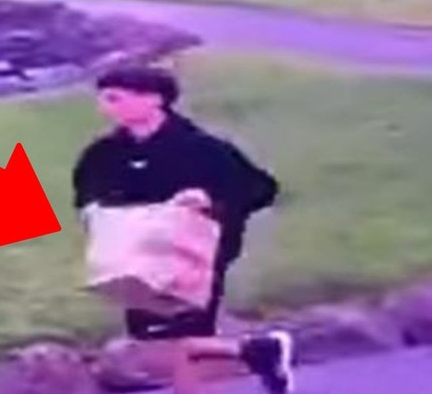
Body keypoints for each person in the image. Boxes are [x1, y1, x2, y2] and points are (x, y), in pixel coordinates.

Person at [72, 64, 294, 394]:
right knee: (158, 340)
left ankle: (249, 357)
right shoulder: (103, 153)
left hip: (193, 255)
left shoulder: (203, 149)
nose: (105, 108)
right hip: (133, 256)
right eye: (104, 99)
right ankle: (257, 352)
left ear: (154, 99)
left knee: (178, 336)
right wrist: (93, 210)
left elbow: (260, 188)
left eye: (115, 98)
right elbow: (87, 192)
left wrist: (209, 200)